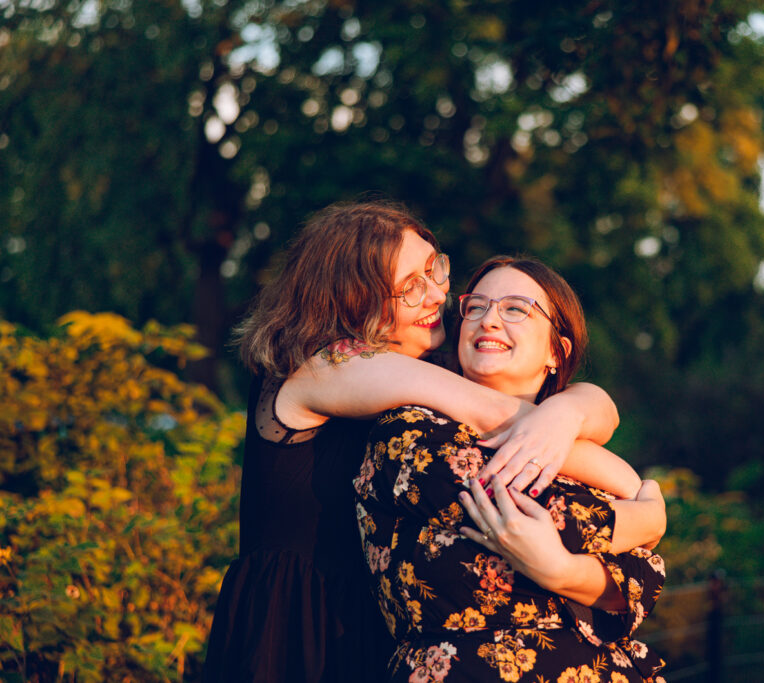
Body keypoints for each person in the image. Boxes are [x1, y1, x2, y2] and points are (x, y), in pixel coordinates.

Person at [202, 201, 650, 683]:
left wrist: (572, 407)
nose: (438, 293)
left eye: (436, 269)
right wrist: (642, 504)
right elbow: (496, 414)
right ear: (355, 297)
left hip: (372, 622)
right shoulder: (330, 366)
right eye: (411, 285)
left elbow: (590, 407)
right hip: (298, 629)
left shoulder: (417, 377)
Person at [354, 255, 667, 683]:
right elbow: (528, 511)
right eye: (477, 306)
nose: (489, 320)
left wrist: (559, 568)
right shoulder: (411, 427)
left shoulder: (580, 450)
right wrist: (646, 514)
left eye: (516, 308)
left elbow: (644, 578)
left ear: (557, 351)